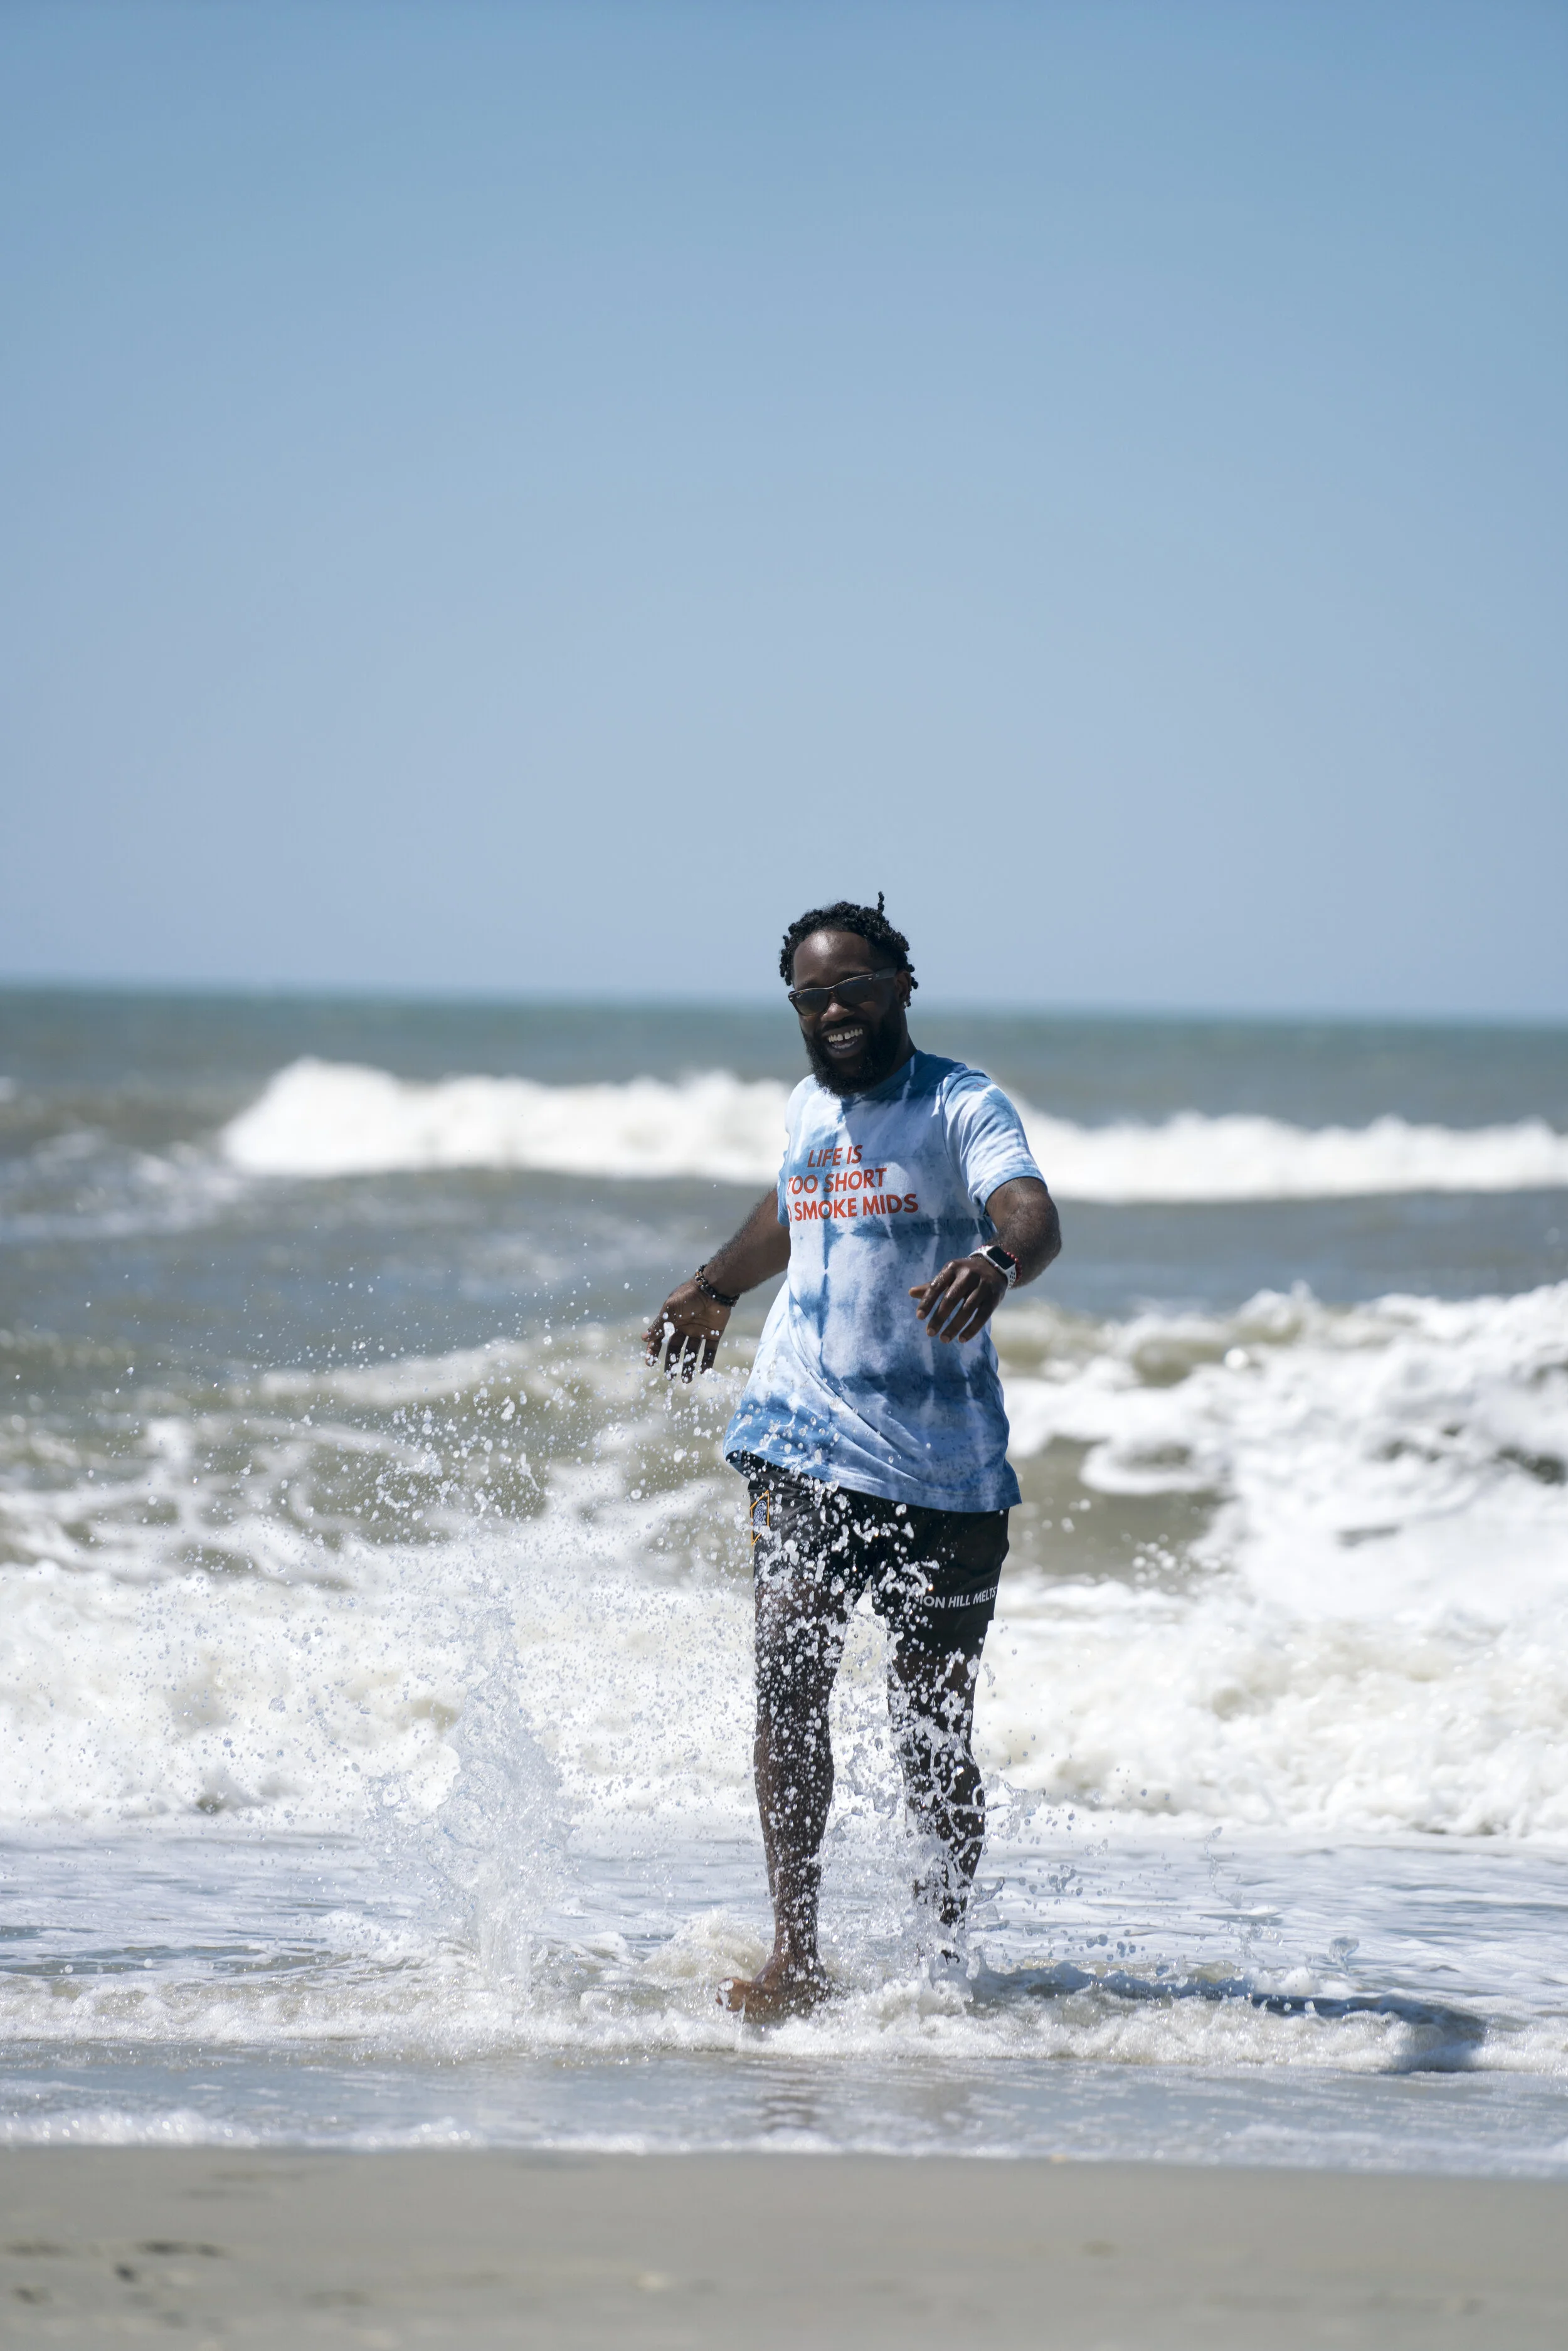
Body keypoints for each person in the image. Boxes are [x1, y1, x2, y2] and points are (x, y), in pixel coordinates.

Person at [645, 897, 1061, 2020]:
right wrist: (717, 1286)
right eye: (811, 997)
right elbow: (796, 1207)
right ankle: (797, 1956)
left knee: (932, 1729)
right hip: (802, 1440)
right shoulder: (806, 1107)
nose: (834, 1011)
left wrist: (998, 1261)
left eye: (854, 989)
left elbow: (1031, 1212)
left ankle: (942, 1961)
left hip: (947, 1470)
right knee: (789, 1683)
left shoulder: (960, 1104)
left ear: (899, 989)